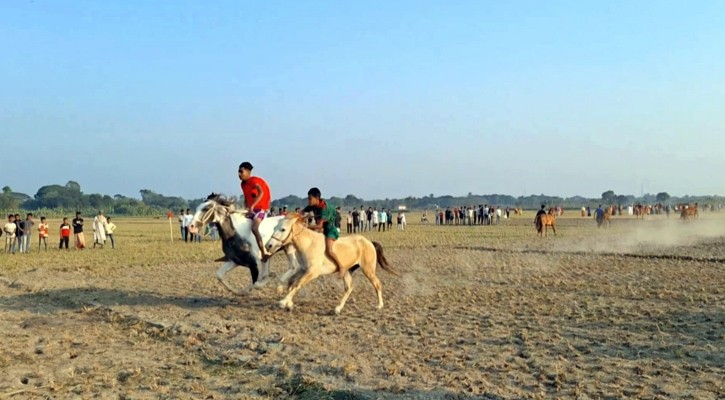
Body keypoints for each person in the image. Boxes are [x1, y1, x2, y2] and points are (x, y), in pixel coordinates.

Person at [302, 188, 345, 278]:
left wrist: (306, 227)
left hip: (330, 229)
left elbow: (319, 226)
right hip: (323, 228)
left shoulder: (324, 208)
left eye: (310, 199)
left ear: (317, 198)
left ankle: (341, 266)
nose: (308, 201)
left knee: (329, 250)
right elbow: (302, 212)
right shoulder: (313, 204)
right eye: (308, 198)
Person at [238, 161, 272, 261]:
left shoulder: (254, 181)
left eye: (241, 172)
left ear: (248, 172)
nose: (239, 175)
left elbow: (261, 192)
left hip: (260, 209)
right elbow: (246, 197)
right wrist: (245, 209)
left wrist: (252, 206)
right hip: (251, 210)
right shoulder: (243, 184)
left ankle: (263, 252)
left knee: (254, 228)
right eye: (238, 172)